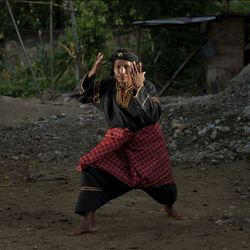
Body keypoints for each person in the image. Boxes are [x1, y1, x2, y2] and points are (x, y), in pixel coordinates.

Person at [69, 49, 183, 236]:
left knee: (164, 185)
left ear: (136, 69)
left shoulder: (147, 87)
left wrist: (139, 88)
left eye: (126, 68)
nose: (122, 72)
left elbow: (153, 115)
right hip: (118, 144)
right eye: (118, 67)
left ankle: (169, 206)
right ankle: (88, 220)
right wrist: (92, 73)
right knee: (91, 167)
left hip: (147, 146)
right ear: (113, 70)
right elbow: (82, 96)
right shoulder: (107, 86)